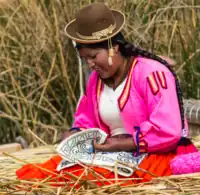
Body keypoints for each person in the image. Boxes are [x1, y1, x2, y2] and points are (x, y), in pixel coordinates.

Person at [16, 3, 197, 186]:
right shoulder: (96, 81)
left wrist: (123, 144)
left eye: (93, 56)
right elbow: (86, 120)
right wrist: (75, 134)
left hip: (155, 154)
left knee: (89, 180)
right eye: (84, 59)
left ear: (114, 47)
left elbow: (168, 130)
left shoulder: (152, 74)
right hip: (110, 153)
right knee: (44, 173)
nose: (90, 64)